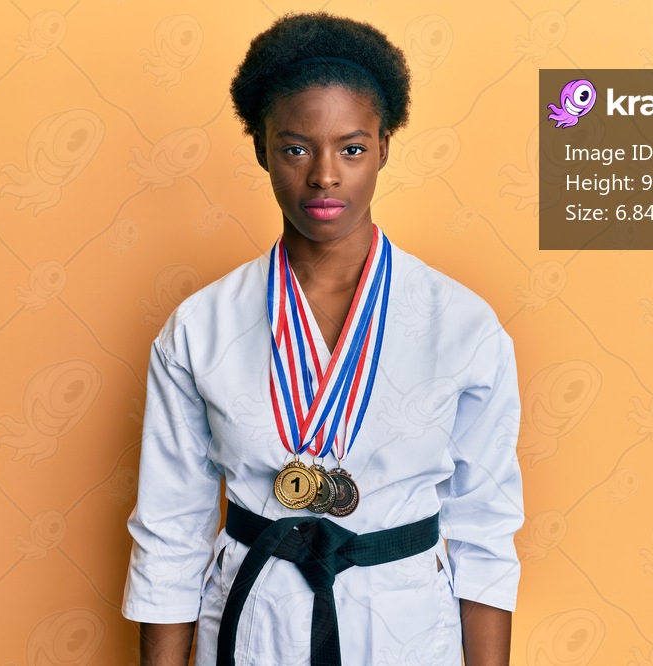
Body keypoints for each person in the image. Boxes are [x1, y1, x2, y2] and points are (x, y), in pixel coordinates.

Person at [122, 12, 524, 666]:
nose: (325, 177)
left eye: (353, 147)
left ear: (386, 146)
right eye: (296, 147)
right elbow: (170, 535)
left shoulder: (463, 325)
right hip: (256, 627)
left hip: (408, 634)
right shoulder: (200, 327)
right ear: (261, 148)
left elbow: (485, 536)